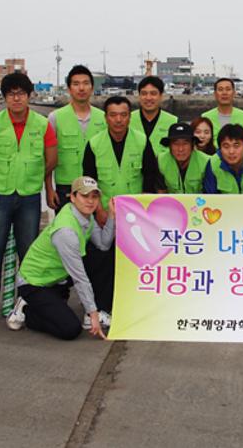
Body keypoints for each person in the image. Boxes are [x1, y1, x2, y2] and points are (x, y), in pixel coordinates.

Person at [0, 72, 57, 329]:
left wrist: (39, 180)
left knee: (29, 253)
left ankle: (26, 305)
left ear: (30, 95)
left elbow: (51, 159)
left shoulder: (42, 124)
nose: (17, 98)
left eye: (21, 93)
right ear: (5, 97)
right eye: (11, 94)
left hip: (30, 196)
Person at [82, 96, 162, 327]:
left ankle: (136, 308)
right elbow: (89, 182)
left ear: (130, 116)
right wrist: (98, 211)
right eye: (113, 115)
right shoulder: (95, 144)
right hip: (104, 214)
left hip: (135, 216)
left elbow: (149, 177)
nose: (118, 120)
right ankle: (102, 308)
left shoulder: (141, 140)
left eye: (123, 115)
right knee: (103, 262)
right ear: (106, 117)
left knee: (136, 262)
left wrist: (144, 212)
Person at [7, 177, 115, 340]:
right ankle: (26, 312)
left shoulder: (86, 215)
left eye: (94, 196)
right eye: (84, 196)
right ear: (72, 197)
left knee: (104, 256)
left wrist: (112, 215)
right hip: (35, 283)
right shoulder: (66, 231)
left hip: (57, 277)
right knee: (70, 329)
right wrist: (93, 313)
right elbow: (79, 277)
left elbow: (103, 245)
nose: (90, 201)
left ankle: (86, 308)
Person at [46, 65, 106, 211]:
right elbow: (48, 158)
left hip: (96, 185)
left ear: (92, 88)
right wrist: (49, 189)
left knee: (95, 232)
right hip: (66, 186)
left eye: (86, 83)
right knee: (66, 231)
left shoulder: (103, 118)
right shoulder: (56, 118)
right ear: (69, 88)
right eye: (76, 84)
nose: (81, 88)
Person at [129, 76, 177, 158]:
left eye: (153, 93)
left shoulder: (173, 122)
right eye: (144, 93)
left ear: (161, 96)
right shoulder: (127, 120)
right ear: (139, 96)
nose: (148, 98)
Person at [203, 124, 243, 194]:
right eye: (226, 146)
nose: (231, 151)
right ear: (220, 148)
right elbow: (210, 196)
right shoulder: (213, 163)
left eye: (236, 145)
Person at [159, 122, 212, 194]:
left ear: (193, 144)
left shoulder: (207, 162)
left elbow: (211, 195)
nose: (180, 149)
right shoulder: (160, 161)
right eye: (176, 143)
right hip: (171, 204)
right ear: (169, 146)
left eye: (185, 143)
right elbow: (160, 195)